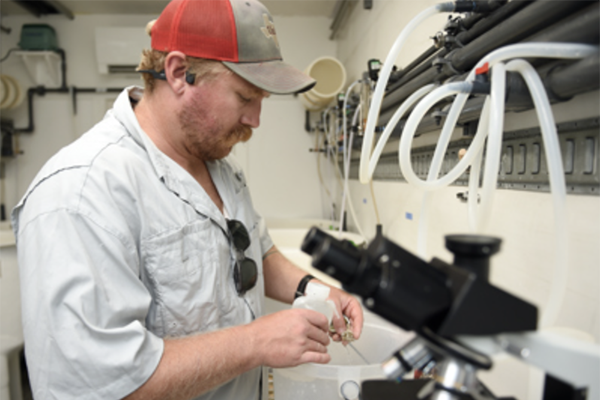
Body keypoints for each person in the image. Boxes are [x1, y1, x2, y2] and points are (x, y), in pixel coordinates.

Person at [11, 0, 364, 399]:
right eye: (245, 97)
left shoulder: (218, 163)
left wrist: (314, 289)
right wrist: (255, 342)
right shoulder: (81, 194)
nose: (256, 119)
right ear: (179, 73)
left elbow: (254, 252)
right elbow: (98, 385)